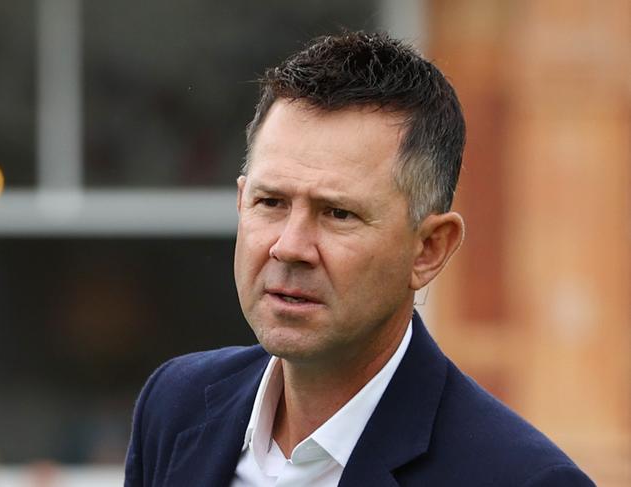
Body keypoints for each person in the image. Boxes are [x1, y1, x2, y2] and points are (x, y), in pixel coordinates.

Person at [124, 31, 594, 487]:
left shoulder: (521, 479)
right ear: (241, 201)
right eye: (271, 203)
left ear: (429, 249)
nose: (289, 246)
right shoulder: (176, 406)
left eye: (338, 213)